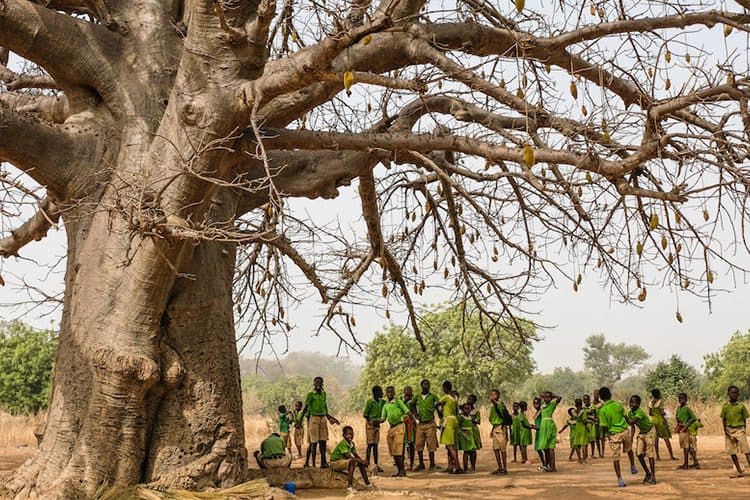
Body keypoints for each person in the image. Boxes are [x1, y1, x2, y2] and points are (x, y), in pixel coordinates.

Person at [598, 386, 636, 487]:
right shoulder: (618, 405)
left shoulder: (602, 410)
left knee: (616, 458)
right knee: (629, 449)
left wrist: (604, 436)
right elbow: (626, 417)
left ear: (601, 398)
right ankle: (632, 465)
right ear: (610, 395)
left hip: (614, 435)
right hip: (624, 431)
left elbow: (604, 426)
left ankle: (620, 479)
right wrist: (631, 423)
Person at [302, 376, 340, 468]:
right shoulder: (310, 394)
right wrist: (300, 420)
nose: (318, 384)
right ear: (314, 384)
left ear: (322, 384)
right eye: (317, 383)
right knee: (314, 442)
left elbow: (325, 408)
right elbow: (306, 407)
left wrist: (332, 418)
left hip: (322, 418)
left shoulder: (324, 394)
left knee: (323, 441)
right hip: (314, 418)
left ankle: (323, 462)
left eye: (320, 383)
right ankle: (314, 464)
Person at [329, 425, 372, 494]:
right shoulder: (342, 444)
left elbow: (356, 455)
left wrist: (362, 462)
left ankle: (368, 484)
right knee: (352, 462)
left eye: (352, 434)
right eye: (348, 434)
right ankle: (349, 487)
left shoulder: (352, 444)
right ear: (344, 435)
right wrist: (362, 461)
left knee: (359, 462)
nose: (350, 436)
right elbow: (349, 456)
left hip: (342, 461)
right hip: (335, 463)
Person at [380, 385, 410, 477]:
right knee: (393, 451)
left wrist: (411, 420)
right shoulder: (385, 405)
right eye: (388, 392)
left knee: (398, 450)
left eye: (391, 392)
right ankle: (399, 470)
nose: (390, 394)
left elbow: (407, 411)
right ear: (386, 393)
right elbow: (383, 418)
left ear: (394, 393)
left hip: (399, 426)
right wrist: (375, 421)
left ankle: (402, 471)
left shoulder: (398, 402)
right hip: (391, 428)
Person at [626, 395, 657, 485]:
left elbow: (631, 422)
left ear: (639, 404)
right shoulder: (630, 413)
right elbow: (632, 427)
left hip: (649, 432)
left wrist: (624, 415)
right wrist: (631, 438)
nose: (632, 404)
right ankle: (648, 473)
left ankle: (653, 476)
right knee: (639, 454)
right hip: (642, 433)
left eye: (634, 402)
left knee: (650, 454)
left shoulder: (640, 412)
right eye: (631, 402)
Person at [721, 385, 750, 475]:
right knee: (732, 451)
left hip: (740, 429)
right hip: (729, 430)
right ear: (728, 394)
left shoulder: (741, 406)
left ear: (738, 394)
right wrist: (725, 431)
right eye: (732, 392)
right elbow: (724, 419)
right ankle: (738, 469)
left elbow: (744, 418)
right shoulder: (725, 406)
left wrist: (744, 429)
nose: (733, 394)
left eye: (735, 393)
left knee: (746, 450)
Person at [436, 380, 462, 473]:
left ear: (445, 388)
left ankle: (458, 466)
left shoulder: (446, 397)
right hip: (454, 420)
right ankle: (450, 466)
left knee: (450, 446)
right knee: (451, 445)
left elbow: (437, 404)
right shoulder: (454, 398)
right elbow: (456, 411)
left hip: (448, 421)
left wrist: (439, 412)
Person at [414, 378, 440, 471]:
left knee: (431, 445)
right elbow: (412, 405)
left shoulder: (433, 396)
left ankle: (432, 464)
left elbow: (438, 404)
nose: (427, 386)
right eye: (425, 384)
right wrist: (416, 414)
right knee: (418, 444)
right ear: (421, 386)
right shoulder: (417, 397)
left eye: (428, 384)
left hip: (430, 423)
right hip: (420, 424)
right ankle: (421, 464)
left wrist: (438, 411)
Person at [649, 388, 677, 461]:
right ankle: (671, 455)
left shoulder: (650, 403)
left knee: (656, 439)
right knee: (666, 438)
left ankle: (657, 456)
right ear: (658, 394)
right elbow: (662, 412)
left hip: (652, 421)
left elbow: (650, 413)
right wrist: (665, 413)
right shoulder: (660, 402)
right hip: (660, 421)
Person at [537, 391, 562, 472]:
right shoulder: (542, 405)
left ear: (551, 398)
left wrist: (553, 395)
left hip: (549, 425)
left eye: (548, 397)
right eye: (545, 397)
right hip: (543, 426)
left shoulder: (552, 404)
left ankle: (553, 466)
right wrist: (543, 396)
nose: (546, 398)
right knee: (545, 447)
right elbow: (538, 398)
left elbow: (559, 398)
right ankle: (548, 465)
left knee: (551, 447)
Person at [488, 389, 512, 475]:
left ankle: (504, 468)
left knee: (502, 449)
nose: (492, 396)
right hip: (496, 428)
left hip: (501, 428)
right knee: (496, 449)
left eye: (494, 394)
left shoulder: (499, 404)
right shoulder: (493, 406)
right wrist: (492, 430)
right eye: (491, 394)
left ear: (498, 396)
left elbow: (496, 405)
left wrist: (493, 400)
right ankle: (500, 467)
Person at [674, 392, 699, 470]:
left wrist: (686, 425)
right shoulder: (678, 408)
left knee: (686, 447)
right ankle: (695, 463)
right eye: (680, 398)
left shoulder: (687, 408)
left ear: (686, 399)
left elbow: (693, 418)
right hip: (681, 429)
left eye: (683, 398)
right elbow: (677, 418)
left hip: (686, 430)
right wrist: (678, 425)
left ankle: (686, 464)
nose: (681, 400)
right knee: (688, 447)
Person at [363, 385, 385, 472]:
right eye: (380, 392)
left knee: (375, 445)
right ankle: (367, 463)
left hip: (377, 425)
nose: (382, 393)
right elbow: (365, 414)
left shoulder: (382, 402)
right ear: (376, 393)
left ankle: (376, 464)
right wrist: (370, 421)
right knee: (370, 445)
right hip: (370, 425)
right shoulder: (370, 402)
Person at [526, 397, 547, 470]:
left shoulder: (542, 411)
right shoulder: (537, 412)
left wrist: (534, 426)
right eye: (534, 403)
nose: (535, 405)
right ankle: (544, 463)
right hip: (538, 432)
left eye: (537, 403)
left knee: (544, 448)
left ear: (540, 404)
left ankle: (546, 464)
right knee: (538, 448)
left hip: (542, 431)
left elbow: (543, 422)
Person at [458, 403, 478, 472]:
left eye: (469, 408)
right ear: (462, 410)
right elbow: (458, 427)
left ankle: (473, 467)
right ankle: (465, 468)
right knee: (466, 452)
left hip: (470, 435)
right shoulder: (461, 417)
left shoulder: (470, 417)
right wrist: (462, 433)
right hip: (464, 435)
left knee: (473, 451)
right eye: (465, 408)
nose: (467, 410)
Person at [402, 386, 417, 471]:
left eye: (409, 390)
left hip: (411, 423)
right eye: (406, 390)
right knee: (403, 444)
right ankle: (402, 464)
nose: (408, 391)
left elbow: (414, 411)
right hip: (403, 423)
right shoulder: (401, 400)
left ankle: (411, 464)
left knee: (411, 443)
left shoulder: (413, 400)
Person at [582, 394, 597, 459]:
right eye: (584, 399)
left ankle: (592, 454)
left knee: (592, 440)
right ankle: (586, 454)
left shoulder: (592, 407)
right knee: (586, 440)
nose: (585, 401)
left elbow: (593, 417)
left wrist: (586, 416)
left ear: (589, 400)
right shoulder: (583, 408)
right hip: (585, 426)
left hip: (592, 425)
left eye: (586, 399)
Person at [592, 389, 605, 458]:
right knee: (596, 438)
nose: (596, 396)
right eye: (595, 394)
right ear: (593, 395)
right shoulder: (591, 404)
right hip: (594, 423)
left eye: (597, 394)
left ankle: (602, 452)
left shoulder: (602, 404)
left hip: (601, 422)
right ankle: (599, 452)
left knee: (602, 438)